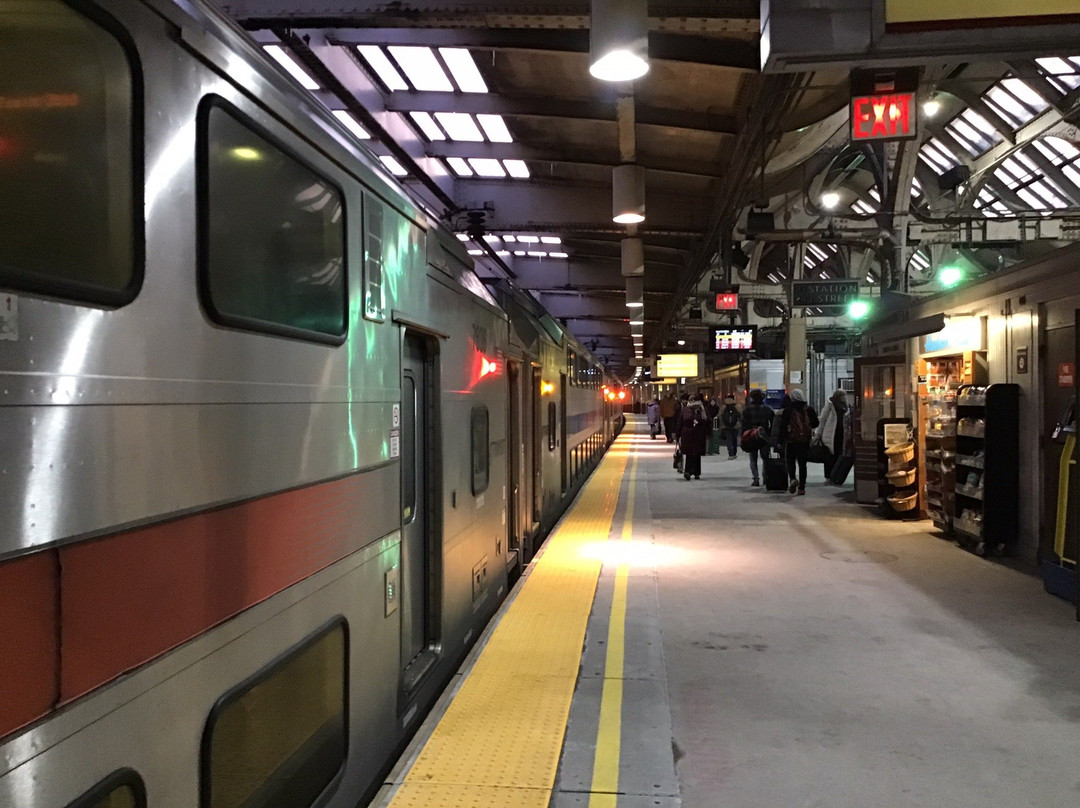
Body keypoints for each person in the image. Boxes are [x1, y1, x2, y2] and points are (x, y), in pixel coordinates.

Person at [779, 389, 819, 495]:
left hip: (791, 441)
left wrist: (780, 441)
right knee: (802, 464)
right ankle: (802, 487)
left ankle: (792, 479)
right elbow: (816, 423)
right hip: (804, 441)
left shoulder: (788, 410)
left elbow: (782, 427)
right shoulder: (809, 409)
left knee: (791, 462)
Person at [740, 389, 774, 487]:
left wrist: (743, 435)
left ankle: (756, 479)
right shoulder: (768, 409)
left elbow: (743, 424)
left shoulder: (747, 409)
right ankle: (765, 478)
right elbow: (773, 423)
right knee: (765, 458)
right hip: (764, 435)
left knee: (753, 458)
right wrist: (770, 434)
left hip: (751, 436)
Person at [814, 389, 848, 477]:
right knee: (829, 455)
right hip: (830, 434)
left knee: (838, 454)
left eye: (844, 395)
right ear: (838, 397)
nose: (844, 398)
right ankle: (829, 475)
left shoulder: (845, 407)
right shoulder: (830, 406)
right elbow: (823, 420)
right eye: (842, 396)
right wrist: (818, 433)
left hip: (841, 434)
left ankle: (835, 474)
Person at [679, 394, 709, 480]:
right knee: (696, 455)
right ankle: (696, 472)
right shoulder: (702, 409)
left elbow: (680, 422)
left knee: (690, 454)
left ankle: (688, 471)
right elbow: (707, 421)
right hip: (698, 435)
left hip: (688, 434)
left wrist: (677, 434)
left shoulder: (686, 410)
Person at [720, 394, 740, 459]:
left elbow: (719, 416)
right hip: (735, 426)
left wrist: (721, 425)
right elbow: (741, 415)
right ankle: (734, 453)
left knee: (729, 440)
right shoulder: (737, 406)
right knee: (734, 439)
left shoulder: (723, 407)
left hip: (726, 426)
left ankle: (730, 454)